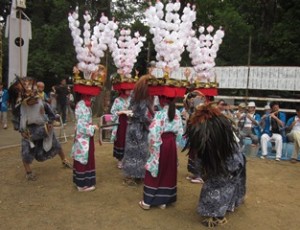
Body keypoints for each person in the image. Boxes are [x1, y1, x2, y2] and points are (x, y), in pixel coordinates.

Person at [184, 103, 246, 228]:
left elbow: (235, 155)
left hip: (231, 164)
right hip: (224, 164)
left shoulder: (223, 134)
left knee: (224, 186)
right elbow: (200, 158)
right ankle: (218, 212)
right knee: (217, 186)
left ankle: (218, 215)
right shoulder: (210, 134)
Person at [8, 77, 72, 181]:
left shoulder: (42, 102)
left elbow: (51, 114)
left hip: (44, 128)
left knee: (55, 144)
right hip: (28, 131)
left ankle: (64, 160)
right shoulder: (20, 107)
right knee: (26, 151)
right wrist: (21, 131)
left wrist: (50, 123)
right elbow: (16, 120)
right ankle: (28, 172)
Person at [139, 95, 183, 210]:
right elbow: (180, 132)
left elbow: (153, 132)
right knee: (168, 170)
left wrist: (153, 146)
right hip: (172, 144)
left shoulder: (160, 114)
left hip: (161, 143)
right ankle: (162, 201)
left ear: (162, 100)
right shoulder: (177, 113)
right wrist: (175, 145)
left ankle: (147, 201)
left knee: (155, 168)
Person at [122, 75, 154, 186]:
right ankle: (136, 176)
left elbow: (133, 111)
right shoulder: (143, 98)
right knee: (140, 152)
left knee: (134, 153)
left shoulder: (135, 95)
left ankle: (135, 175)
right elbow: (143, 115)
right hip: (139, 127)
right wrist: (152, 121)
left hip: (134, 127)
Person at [71, 93, 99, 192]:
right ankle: (82, 185)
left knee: (85, 157)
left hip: (84, 137)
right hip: (83, 137)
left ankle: (82, 181)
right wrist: (92, 127)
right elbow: (81, 125)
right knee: (83, 158)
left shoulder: (84, 105)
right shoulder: (81, 105)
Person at [110, 89, 132, 169]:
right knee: (121, 140)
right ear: (123, 90)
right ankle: (120, 160)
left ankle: (128, 159)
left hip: (130, 122)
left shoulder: (131, 99)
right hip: (121, 123)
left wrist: (131, 112)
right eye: (128, 90)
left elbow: (135, 109)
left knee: (129, 140)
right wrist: (121, 112)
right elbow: (113, 111)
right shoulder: (117, 100)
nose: (130, 91)